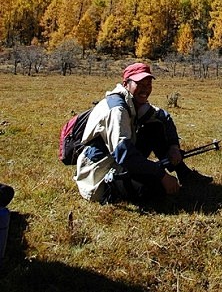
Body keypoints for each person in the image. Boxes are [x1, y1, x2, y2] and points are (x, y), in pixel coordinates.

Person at [74, 62, 212, 204]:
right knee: (155, 191)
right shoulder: (117, 110)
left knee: (155, 128)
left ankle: (185, 174)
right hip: (99, 176)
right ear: (126, 84)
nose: (145, 89)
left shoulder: (133, 102)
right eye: (140, 84)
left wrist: (173, 147)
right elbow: (125, 155)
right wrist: (161, 175)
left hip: (117, 161)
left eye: (148, 84)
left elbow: (164, 118)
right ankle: (117, 192)